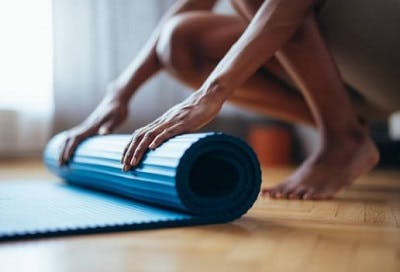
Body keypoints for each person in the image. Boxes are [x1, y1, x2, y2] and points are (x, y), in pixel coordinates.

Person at [58, 0, 399, 200]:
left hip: (387, 55)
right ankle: (346, 123)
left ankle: (343, 138)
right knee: (179, 42)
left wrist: (211, 93)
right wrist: (119, 93)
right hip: (353, 76)